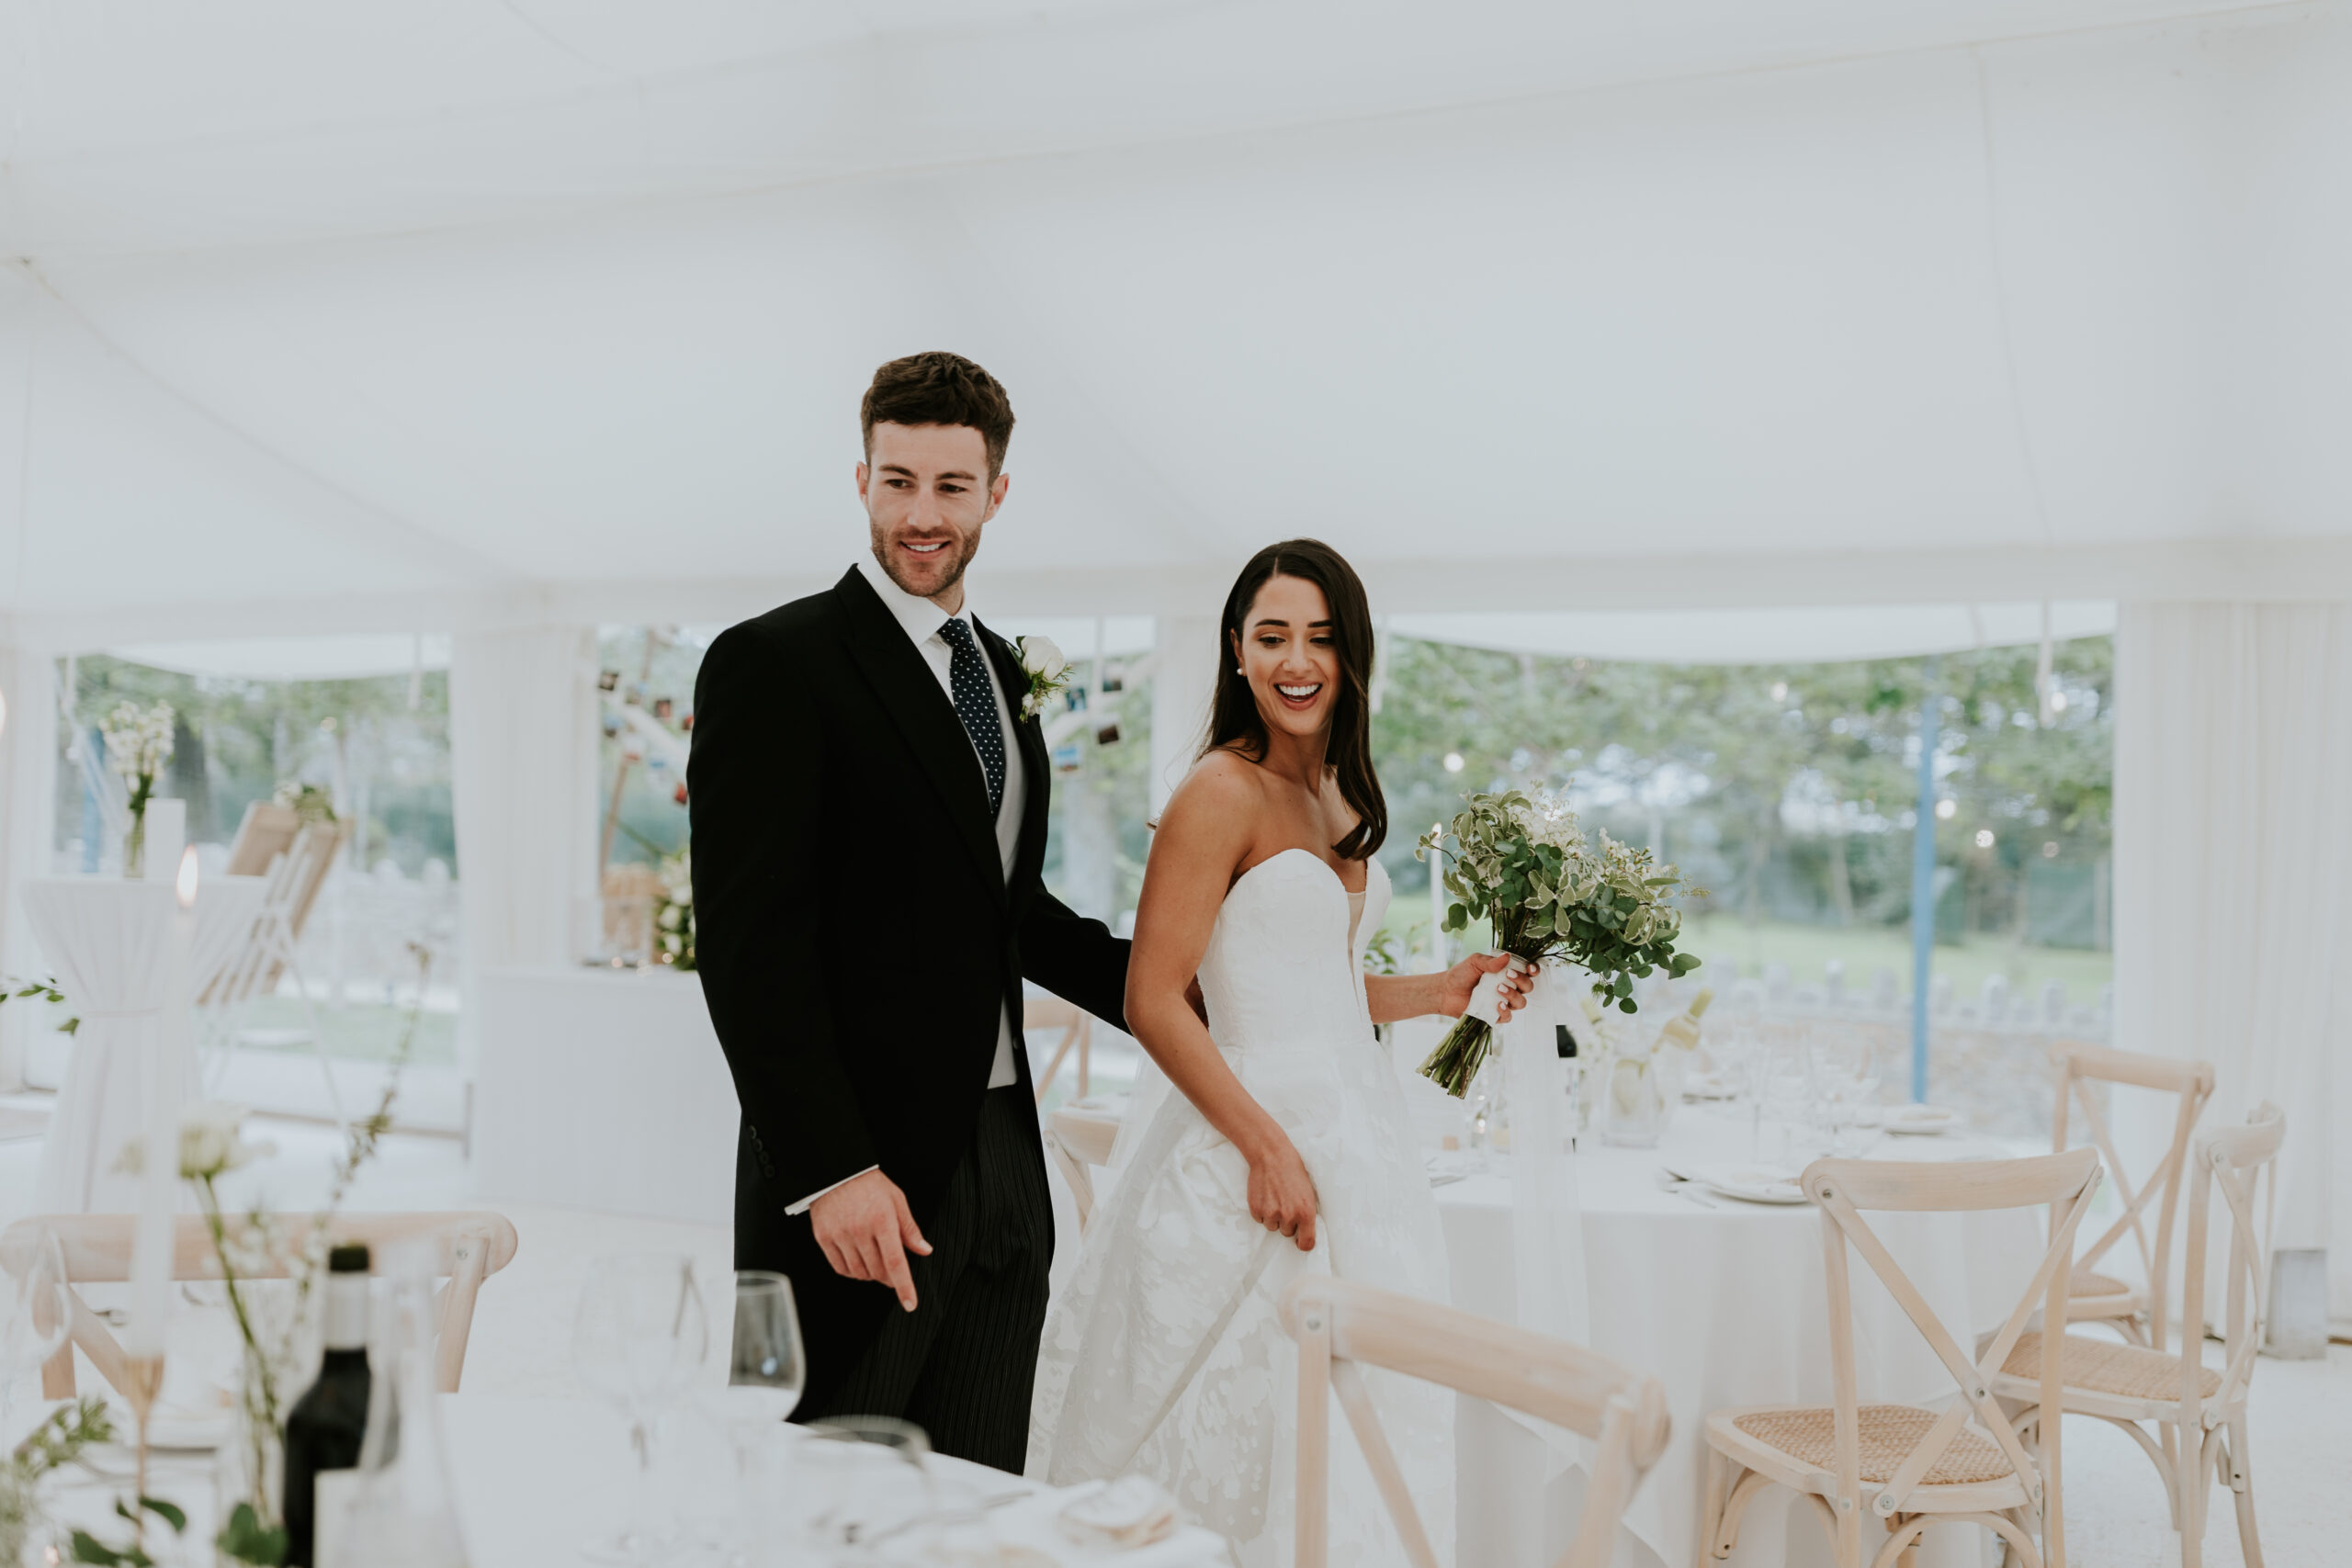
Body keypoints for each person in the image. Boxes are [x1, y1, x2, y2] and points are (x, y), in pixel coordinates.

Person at [1028, 538, 1528, 1564]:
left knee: (1356, 1439)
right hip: (1244, 1152)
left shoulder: (1335, 795)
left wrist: (1439, 990)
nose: (1297, 660)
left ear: (1352, 656)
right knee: (1230, 1435)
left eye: (1321, 637)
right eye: (1272, 637)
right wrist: (1262, 1145)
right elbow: (1157, 997)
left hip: (1359, 1149)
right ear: (1237, 652)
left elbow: (1318, 990)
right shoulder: (1219, 789)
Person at [688, 351, 1129, 1471]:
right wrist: (829, 1172)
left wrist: (1204, 996)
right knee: (819, 1499)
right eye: (897, 482)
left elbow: (1011, 913)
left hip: (1002, 1164)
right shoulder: (773, 662)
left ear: (996, 494)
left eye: (949, 486)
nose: (920, 515)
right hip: (858, 1174)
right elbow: (749, 949)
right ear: (861, 477)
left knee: (975, 1499)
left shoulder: (998, 671)